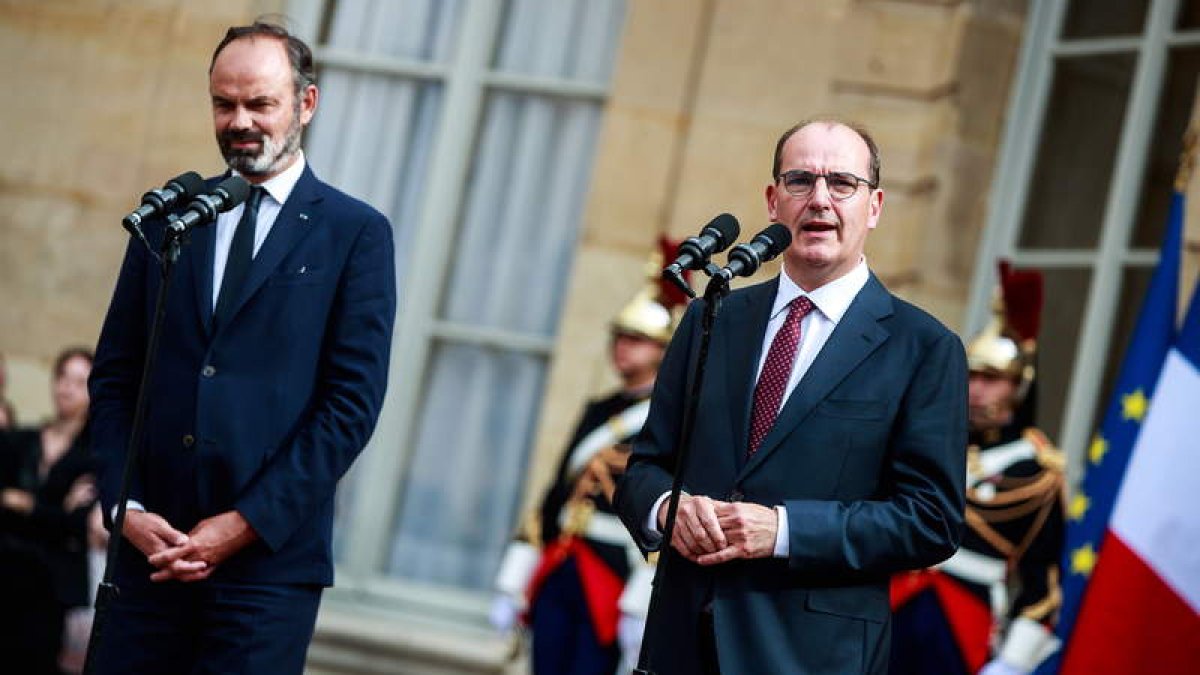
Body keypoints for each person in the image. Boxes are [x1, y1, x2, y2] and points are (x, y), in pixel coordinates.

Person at [87, 19, 396, 674]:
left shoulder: (355, 233)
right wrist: (125, 506)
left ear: (305, 104)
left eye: (260, 103)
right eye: (224, 103)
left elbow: (350, 407)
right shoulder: (171, 220)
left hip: (266, 574)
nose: (240, 122)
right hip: (147, 561)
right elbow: (116, 377)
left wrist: (242, 523)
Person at [613, 119, 968, 674]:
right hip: (679, 644)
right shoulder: (713, 316)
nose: (820, 199)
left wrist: (782, 530)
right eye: (801, 180)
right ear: (774, 201)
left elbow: (930, 520)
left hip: (809, 657)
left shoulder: (923, 348)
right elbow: (644, 470)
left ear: (874, 206)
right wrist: (667, 508)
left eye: (842, 184)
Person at [492, 242, 688, 675]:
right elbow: (558, 493)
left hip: (616, 576)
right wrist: (516, 573)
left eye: (637, 340)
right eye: (620, 337)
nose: (622, 348)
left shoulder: (672, 420)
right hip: (564, 562)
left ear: (663, 349)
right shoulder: (598, 410)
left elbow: (669, 510)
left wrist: (642, 597)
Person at [890, 261, 1066, 675]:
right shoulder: (922, 439)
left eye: (992, 379)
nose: (976, 390)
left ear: (1018, 387)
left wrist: (1012, 663)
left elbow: (1042, 585)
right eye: (970, 376)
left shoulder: (1035, 473)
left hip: (960, 619)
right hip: (887, 602)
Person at [0, 347, 97, 674]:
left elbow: (77, 524)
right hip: (6, 569)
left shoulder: (93, 458)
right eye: (62, 377)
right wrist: (54, 511)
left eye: (79, 381)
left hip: (51, 588)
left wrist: (26, 504)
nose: (67, 387)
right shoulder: (20, 441)